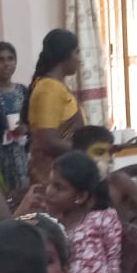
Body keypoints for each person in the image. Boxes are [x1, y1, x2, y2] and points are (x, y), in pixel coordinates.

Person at [16, 151, 121, 273]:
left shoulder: (101, 218)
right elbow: (8, 238)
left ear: (80, 197)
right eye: (50, 183)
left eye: (58, 187)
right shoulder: (45, 220)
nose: (49, 191)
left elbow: (113, 261)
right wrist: (21, 211)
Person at [23, 28, 84, 183]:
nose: (80, 59)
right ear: (65, 55)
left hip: (66, 171)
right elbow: (46, 140)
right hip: (54, 177)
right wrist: (86, 149)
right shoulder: (49, 88)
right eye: (77, 52)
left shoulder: (56, 86)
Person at [0, 41, 29, 192]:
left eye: (11, 59)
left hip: (21, 152)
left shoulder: (23, 91)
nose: (6, 64)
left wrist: (25, 128)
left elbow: (31, 119)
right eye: (0, 60)